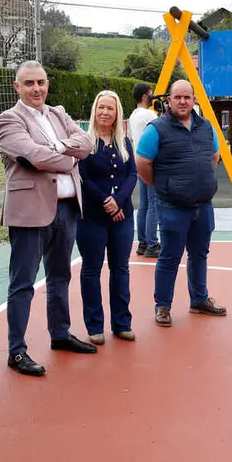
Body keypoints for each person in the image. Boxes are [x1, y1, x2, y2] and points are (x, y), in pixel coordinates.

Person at [0, 61, 95, 376]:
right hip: (30, 213)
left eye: (40, 82)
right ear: (17, 87)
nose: (36, 89)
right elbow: (33, 156)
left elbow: (87, 143)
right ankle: (17, 351)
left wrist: (55, 147)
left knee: (60, 276)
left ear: (48, 83)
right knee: (23, 283)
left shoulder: (58, 114)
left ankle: (61, 334)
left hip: (66, 209)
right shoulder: (8, 119)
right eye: (29, 83)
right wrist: (67, 156)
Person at [134, 79, 227, 327]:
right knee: (170, 256)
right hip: (173, 206)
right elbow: (142, 163)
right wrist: (163, 186)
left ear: (194, 99)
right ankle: (162, 306)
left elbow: (214, 156)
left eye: (187, 97)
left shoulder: (206, 127)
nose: (183, 101)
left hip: (203, 205)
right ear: (169, 100)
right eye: (178, 97)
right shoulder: (156, 129)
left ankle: (199, 300)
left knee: (200, 255)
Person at [77, 90, 138, 344]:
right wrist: (106, 202)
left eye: (110, 108)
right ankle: (94, 326)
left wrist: (120, 201)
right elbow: (83, 178)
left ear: (117, 113)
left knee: (121, 269)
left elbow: (132, 174)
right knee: (91, 270)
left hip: (122, 216)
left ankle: (122, 322)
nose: (105, 112)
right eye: (101, 107)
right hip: (92, 217)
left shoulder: (124, 143)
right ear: (94, 110)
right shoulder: (83, 142)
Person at [129, 82, 160, 257]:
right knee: (153, 203)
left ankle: (142, 242)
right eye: (151, 94)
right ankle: (152, 243)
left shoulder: (134, 115)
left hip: (138, 161)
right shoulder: (148, 114)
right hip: (151, 162)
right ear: (144, 97)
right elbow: (163, 127)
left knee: (144, 204)